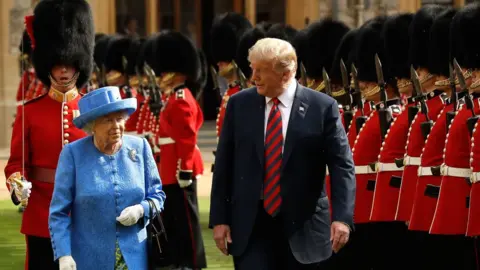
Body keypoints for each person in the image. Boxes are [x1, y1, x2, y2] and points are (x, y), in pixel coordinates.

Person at [209, 37, 355, 270]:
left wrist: (342, 218)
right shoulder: (239, 105)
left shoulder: (322, 107)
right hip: (251, 225)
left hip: (305, 225)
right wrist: (219, 219)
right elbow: (225, 164)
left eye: (260, 71)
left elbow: (342, 166)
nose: (252, 77)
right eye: (252, 69)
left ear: (285, 74)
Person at [4, 0, 94, 269]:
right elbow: (15, 163)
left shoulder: (94, 107)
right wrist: (17, 184)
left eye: (69, 63)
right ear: (47, 66)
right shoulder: (30, 112)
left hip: (84, 211)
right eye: (56, 64)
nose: (63, 70)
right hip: (42, 210)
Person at [48, 86, 166, 270]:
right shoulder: (73, 154)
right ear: (92, 125)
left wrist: (141, 210)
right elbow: (59, 213)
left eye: (119, 118)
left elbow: (158, 196)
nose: (116, 126)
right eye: (107, 120)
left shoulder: (141, 147)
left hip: (136, 258)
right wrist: (64, 254)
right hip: (89, 259)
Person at [153, 30, 207, 269]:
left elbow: (187, 137)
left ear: (177, 73)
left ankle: (191, 262)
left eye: (165, 71)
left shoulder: (182, 98)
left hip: (178, 168)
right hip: (170, 166)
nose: (162, 75)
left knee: (186, 219)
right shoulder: (174, 97)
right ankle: (180, 261)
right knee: (175, 218)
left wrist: (184, 168)